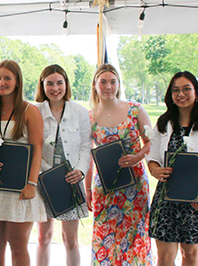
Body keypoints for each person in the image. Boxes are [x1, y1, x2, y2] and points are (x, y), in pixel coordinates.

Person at [148, 71, 198, 266]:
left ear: (197, 93)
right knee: (165, 257)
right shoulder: (163, 123)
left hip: (196, 199)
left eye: (186, 89)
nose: (181, 94)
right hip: (167, 198)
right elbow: (152, 158)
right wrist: (155, 170)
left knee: (190, 255)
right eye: (176, 90)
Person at [85, 63, 153, 265]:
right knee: (107, 234)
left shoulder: (135, 110)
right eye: (103, 82)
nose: (108, 86)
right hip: (105, 185)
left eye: (113, 82)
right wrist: (88, 188)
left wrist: (137, 156)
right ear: (95, 85)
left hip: (135, 183)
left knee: (135, 233)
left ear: (118, 84)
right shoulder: (89, 118)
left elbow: (150, 142)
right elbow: (88, 156)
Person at [0, 59, 45, 266]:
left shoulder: (29, 111)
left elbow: (37, 149)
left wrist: (32, 184)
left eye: (7, 78)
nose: (1, 82)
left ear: (17, 81)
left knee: (18, 246)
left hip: (21, 187)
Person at [33, 64, 91, 266]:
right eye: (50, 83)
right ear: (43, 85)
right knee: (43, 237)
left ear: (66, 84)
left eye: (59, 82)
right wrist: (42, 173)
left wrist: (81, 170)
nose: (55, 88)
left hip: (71, 181)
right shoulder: (35, 111)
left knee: (70, 239)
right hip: (43, 182)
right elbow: (33, 146)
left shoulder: (80, 112)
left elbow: (86, 146)